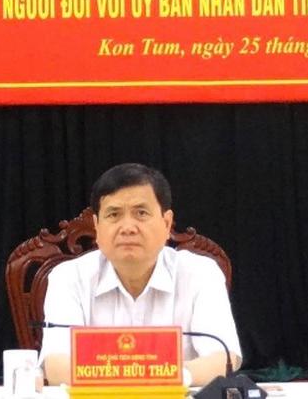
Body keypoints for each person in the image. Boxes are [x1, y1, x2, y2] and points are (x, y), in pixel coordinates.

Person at [39, 163, 240, 387]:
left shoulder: (200, 273)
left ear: (166, 223)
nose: (128, 227)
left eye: (141, 213)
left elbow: (224, 359)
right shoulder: (68, 277)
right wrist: (152, 375)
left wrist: (163, 377)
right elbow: (56, 367)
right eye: (114, 214)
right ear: (97, 227)